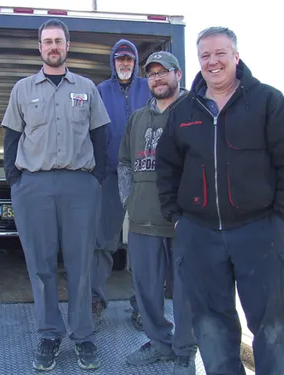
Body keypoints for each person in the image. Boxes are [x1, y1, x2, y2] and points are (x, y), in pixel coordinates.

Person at [155, 27, 284, 375]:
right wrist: (178, 218)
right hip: (200, 235)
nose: (212, 62)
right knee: (211, 328)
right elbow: (165, 168)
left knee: (273, 328)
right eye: (205, 56)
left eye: (220, 53)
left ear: (236, 57)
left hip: (260, 233)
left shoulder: (269, 102)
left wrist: (280, 218)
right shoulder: (183, 113)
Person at [1, 18, 110, 371]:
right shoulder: (22, 89)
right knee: (41, 265)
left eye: (58, 41)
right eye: (47, 41)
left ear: (67, 46)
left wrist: (94, 179)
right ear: (40, 48)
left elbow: (101, 137)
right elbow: (11, 139)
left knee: (81, 263)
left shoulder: (87, 88)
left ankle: (83, 336)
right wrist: (16, 181)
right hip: (34, 187)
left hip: (79, 186)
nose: (53, 46)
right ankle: (49, 334)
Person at [118, 51, 197, 375]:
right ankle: (159, 342)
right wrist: (130, 200)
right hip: (144, 220)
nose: (158, 78)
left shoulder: (196, 110)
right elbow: (124, 162)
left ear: (178, 74)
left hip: (186, 222)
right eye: (152, 74)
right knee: (147, 291)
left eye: (164, 72)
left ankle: (184, 348)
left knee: (187, 291)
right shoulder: (138, 118)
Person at [91, 39, 151, 328]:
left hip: (144, 178)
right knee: (103, 241)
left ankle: (142, 306)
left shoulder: (148, 88)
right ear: (113, 63)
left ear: (135, 62)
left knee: (143, 242)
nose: (124, 64)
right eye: (119, 60)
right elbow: (93, 133)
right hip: (112, 176)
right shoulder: (100, 91)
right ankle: (95, 299)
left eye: (129, 60)